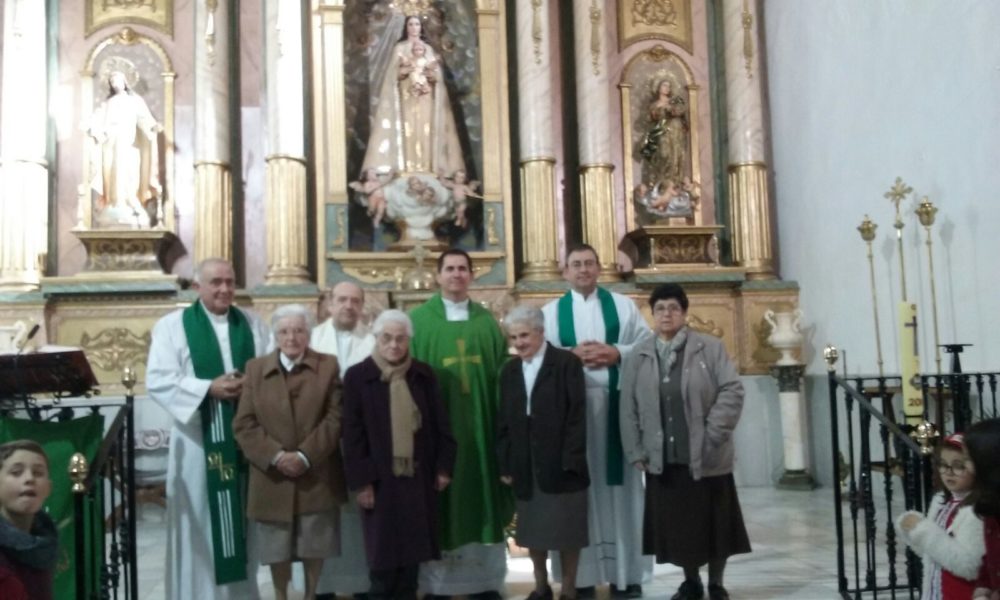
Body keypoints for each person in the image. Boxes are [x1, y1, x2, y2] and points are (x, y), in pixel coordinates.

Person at [147, 258, 269, 600]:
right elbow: (158, 379)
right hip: (197, 443)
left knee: (241, 525)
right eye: (216, 282)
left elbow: (269, 371)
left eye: (230, 282)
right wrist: (207, 389)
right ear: (197, 286)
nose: (225, 289)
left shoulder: (253, 324)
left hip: (243, 442)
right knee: (198, 525)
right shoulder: (173, 327)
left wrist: (249, 386)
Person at [619, 283, 751, 600]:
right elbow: (628, 406)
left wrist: (713, 433)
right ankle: (691, 582)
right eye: (660, 308)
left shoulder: (709, 347)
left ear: (684, 312)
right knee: (680, 528)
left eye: (674, 308)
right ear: (652, 314)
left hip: (707, 456)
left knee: (716, 525)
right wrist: (635, 449)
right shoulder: (640, 354)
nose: (667, 314)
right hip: (664, 457)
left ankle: (716, 584)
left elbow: (732, 390)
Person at [541, 244, 653, 598]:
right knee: (580, 494)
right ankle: (582, 578)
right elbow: (539, 357)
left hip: (617, 410)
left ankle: (627, 576)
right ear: (565, 271)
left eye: (589, 263)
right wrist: (569, 356)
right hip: (573, 418)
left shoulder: (623, 306)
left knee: (624, 492)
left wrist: (617, 352)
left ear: (599, 268)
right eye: (576, 264)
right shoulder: (550, 313)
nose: (583, 270)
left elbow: (648, 346)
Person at [409, 248, 514, 598]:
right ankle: (435, 585)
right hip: (436, 432)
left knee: (480, 492)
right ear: (438, 275)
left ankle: (484, 583)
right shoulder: (419, 322)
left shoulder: (486, 322)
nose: (456, 274)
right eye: (450, 269)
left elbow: (502, 375)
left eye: (463, 269)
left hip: (482, 427)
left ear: (471, 275)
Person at [342, 309, 457, 599]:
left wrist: (444, 467)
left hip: (418, 476)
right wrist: (363, 482)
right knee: (382, 558)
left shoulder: (423, 375)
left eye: (400, 338)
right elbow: (352, 434)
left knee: (412, 555)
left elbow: (441, 424)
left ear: (408, 340)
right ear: (376, 338)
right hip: (379, 480)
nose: (394, 345)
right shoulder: (358, 376)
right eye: (387, 338)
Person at [234, 304, 345, 600]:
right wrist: (276, 456)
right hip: (272, 475)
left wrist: (305, 456)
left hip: (316, 473)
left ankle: (311, 595)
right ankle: (280, 595)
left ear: (309, 334)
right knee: (276, 545)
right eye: (284, 331)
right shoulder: (255, 369)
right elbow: (244, 423)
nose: (291, 338)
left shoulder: (328, 366)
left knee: (315, 541)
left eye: (298, 331)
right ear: (275, 335)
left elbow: (335, 418)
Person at [497, 305, 589, 600]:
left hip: (562, 461)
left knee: (568, 531)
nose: (519, 343)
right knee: (533, 531)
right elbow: (504, 422)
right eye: (514, 337)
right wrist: (506, 463)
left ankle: (569, 589)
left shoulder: (565, 363)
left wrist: (571, 458)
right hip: (525, 461)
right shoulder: (509, 371)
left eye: (524, 335)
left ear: (540, 332)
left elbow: (577, 415)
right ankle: (540, 587)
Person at [311, 282, 377, 600]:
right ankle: (322, 585)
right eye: (342, 300)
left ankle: (361, 584)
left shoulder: (375, 341)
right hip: (320, 439)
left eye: (355, 300)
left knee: (358, 513)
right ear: (329, 304)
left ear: (362, 306)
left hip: (361, 440)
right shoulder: (311, 340)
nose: (348, 306)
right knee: (323, 511)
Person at [362, 15, 464, 177]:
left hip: (426, 98)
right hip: (406, 97)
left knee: (426, 130)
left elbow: (437, 74)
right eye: (411, 24)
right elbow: (391, 75)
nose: (414, 27)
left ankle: (428, 168)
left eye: (417, 24)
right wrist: (401, 72)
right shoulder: (400, 48)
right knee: (407, 130)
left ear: (421, 27)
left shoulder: (428, 49)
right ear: (406, 27)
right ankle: (406, 168)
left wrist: (433, 76)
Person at [895, 433, 983, 599]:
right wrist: (911, 532)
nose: (949, 472)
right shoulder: (942, 502)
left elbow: (969, 566)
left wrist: (923, 531)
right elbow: (932, 552)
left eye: (958, 466)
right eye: (943, 464)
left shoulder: (976, 510)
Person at [87, 69, 161, 228]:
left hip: (130, 142)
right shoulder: (109, 103)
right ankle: (115, 202)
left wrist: (152, 126)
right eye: (112, 81)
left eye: (118, 80)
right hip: (112, 144)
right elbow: (97, 122)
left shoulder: (134, 101)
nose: (115, 83)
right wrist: (93, 129)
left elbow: (144, 119)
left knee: (131, 170)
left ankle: (131, 200)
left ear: (125, 82)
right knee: (113, 172)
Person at [0, 440, 56, 600]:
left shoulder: (44, 548)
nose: (29, 478)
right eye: (16, 472)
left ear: (48, 488)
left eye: (38, 473)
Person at [965, 419, 1000, 600]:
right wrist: (983, 586)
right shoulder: (990, 502)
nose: (965, 466)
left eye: (968, 459)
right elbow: (991, 555)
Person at [639, 77, 688, 187]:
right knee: (663, 154)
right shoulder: (654, 104)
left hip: (675, 132)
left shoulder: (675, 101)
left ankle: (673, 181)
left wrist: (671, 109)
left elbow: (681, 111)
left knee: (674, 156)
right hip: (661, 132)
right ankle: (660, 181)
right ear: (658, 87)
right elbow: (648, 119)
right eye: (664, 85)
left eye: (669, 86)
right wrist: (659, 111)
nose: (667, 88)